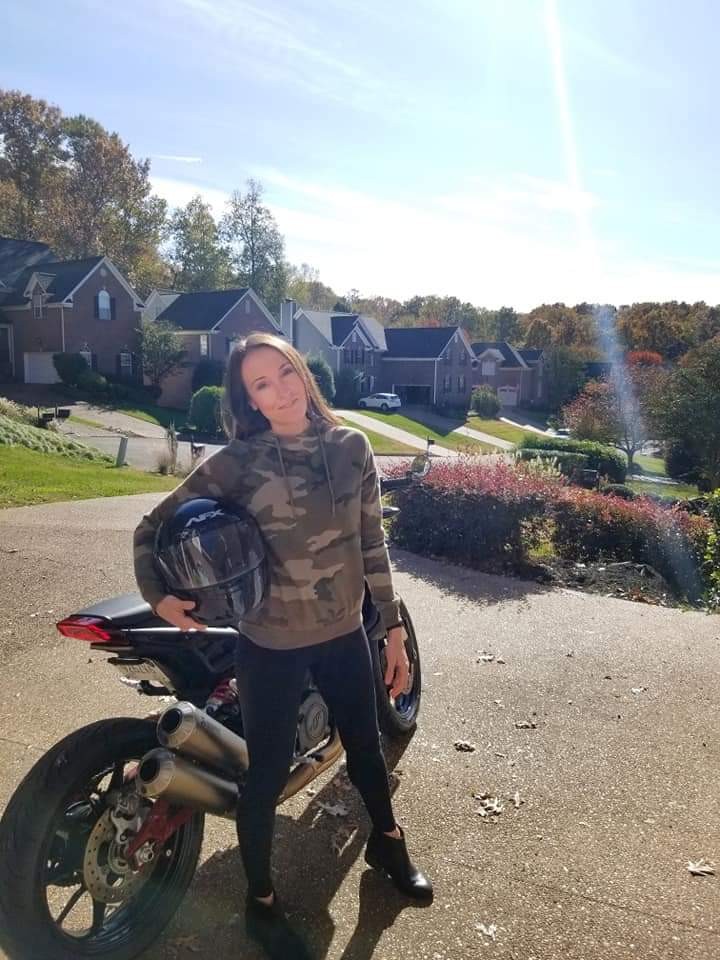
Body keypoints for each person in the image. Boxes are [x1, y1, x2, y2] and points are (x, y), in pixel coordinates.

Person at [133, 332, 432, 960]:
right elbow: (152, 525)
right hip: (269, 644)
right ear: (250, 399)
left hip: (345, 635)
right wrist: (159, 597)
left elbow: (371, 544)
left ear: (302, 371)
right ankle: (261, 903)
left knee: (366, 749)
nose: (279, 390)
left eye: (284, 372)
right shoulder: (239, 462)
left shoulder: (351, 447)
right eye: (260, 384)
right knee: (265, 776)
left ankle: (388, 842)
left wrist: (393, 629)